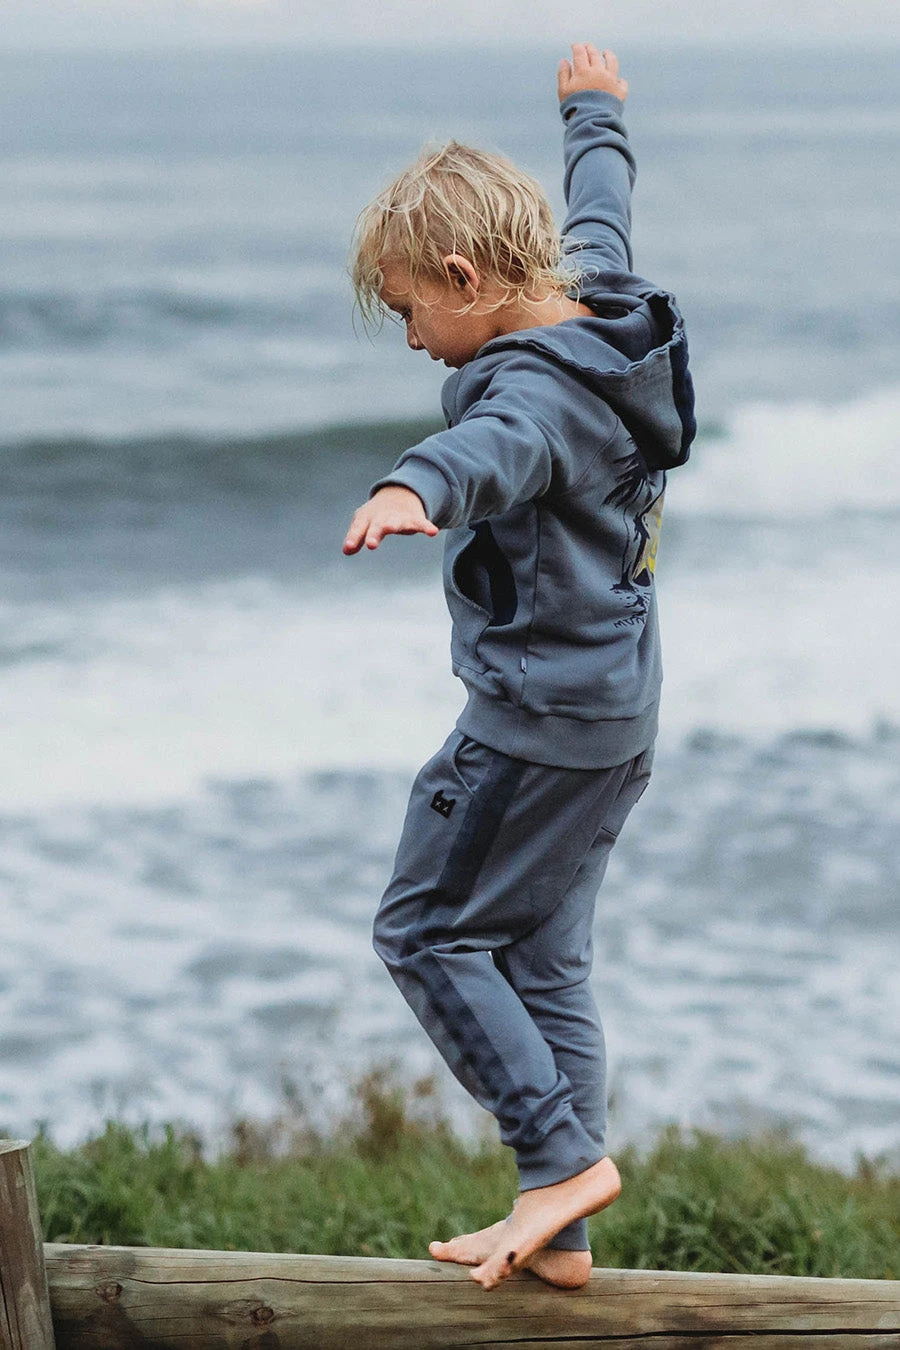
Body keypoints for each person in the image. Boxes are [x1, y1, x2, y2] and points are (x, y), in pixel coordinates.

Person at [343, 43, 695, 1291]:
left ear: (463, 277)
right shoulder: (602, 309)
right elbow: (602, 204)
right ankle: (565, 1230)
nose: (411, 339)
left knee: (426, 932)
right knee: (543, 962)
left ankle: (558, 1162)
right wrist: (593, 113)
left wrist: (411, 484)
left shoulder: (531, 400)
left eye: (410, 311)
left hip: (535, 727)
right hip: (617, 715)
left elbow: (492, 447)